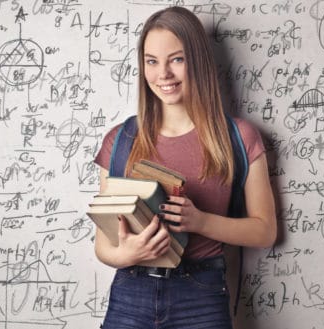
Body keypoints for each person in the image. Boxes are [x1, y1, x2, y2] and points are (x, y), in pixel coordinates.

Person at [92, 6, 277, 329]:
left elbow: (265, 231)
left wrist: (201, 221)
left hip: (201, 297)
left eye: (176, 59)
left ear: (198, 62)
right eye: (152, 61)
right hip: (130, 294)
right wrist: (129, 254)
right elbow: (104, 245)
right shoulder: (120, 140)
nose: (162, 74)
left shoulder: (239, 138)